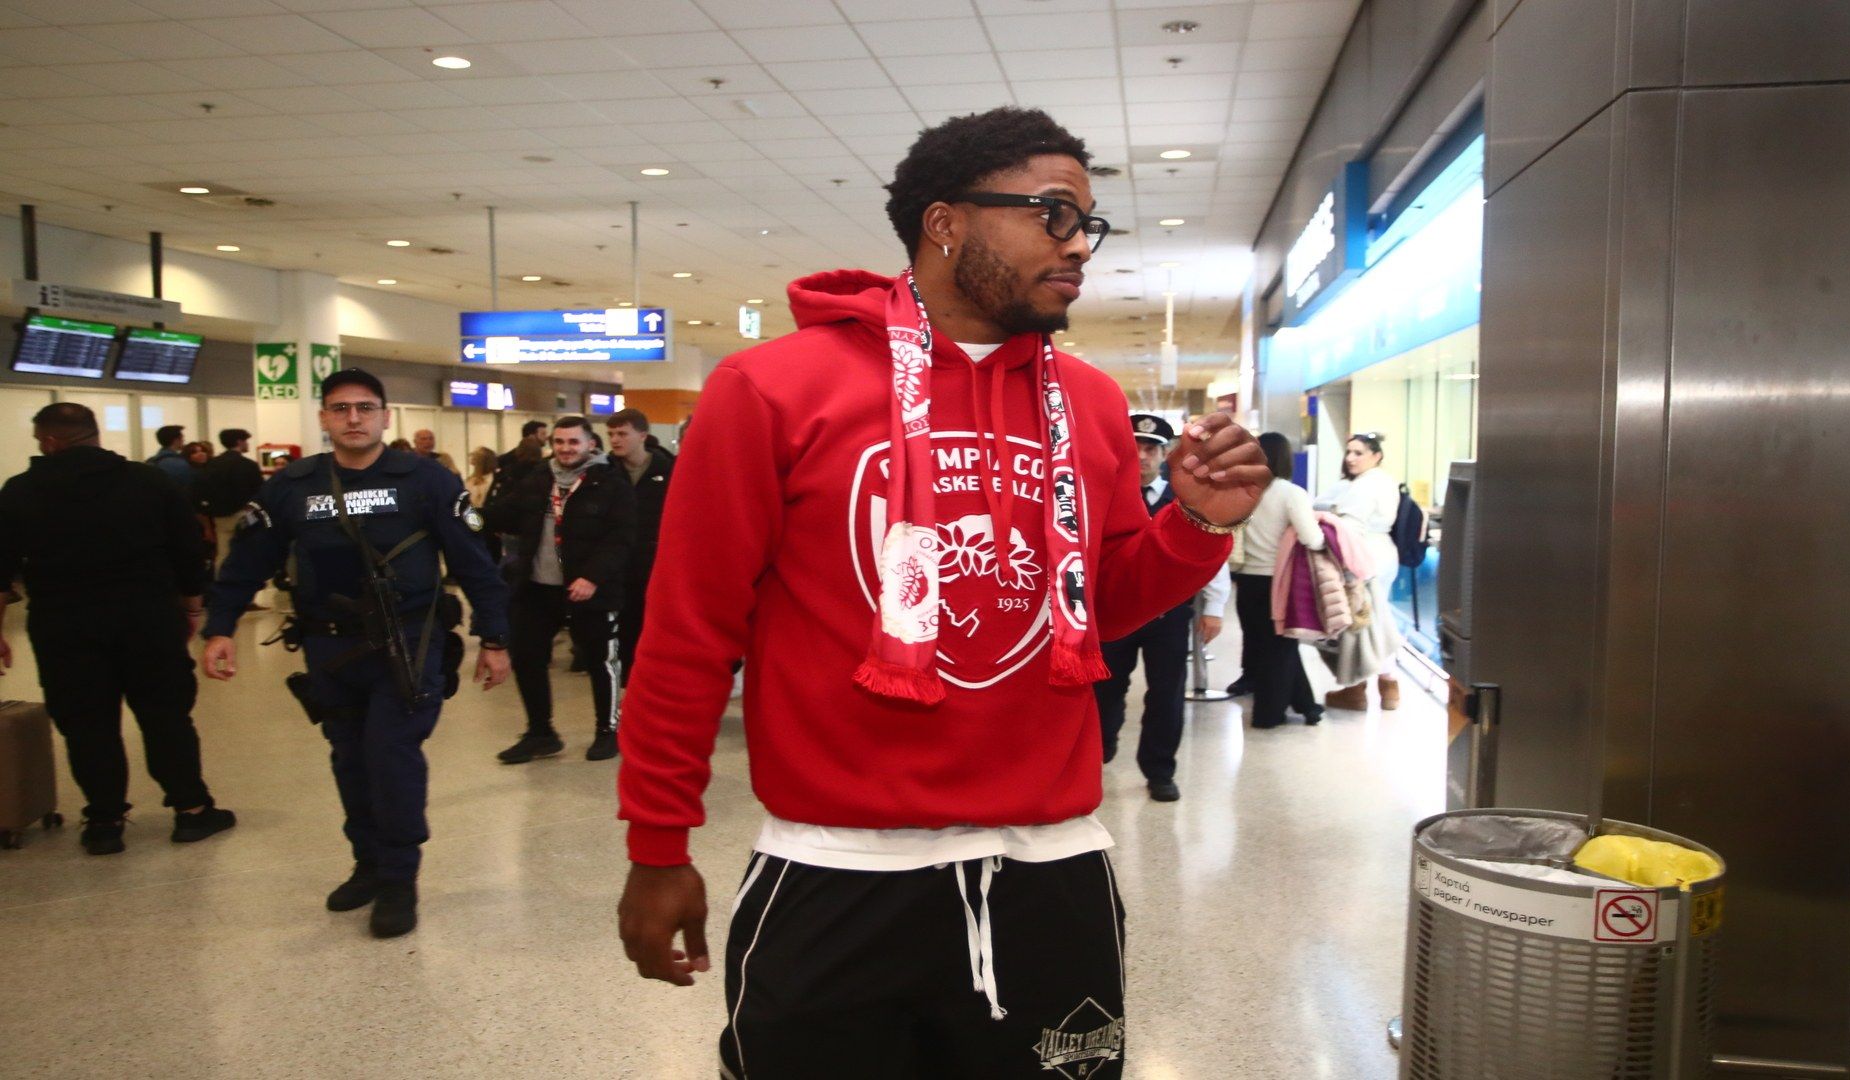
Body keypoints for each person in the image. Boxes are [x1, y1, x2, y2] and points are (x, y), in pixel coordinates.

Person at [614, 107, 1271, 1077]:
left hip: (1053, 866)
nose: (1078, 246)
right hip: (836, 866)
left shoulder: (1087, 402)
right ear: (946, 222)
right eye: (1052, 214)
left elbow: (1095, 605)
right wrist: (658, 841)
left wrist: (1198, 526)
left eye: (1088, 223)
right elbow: (690, 631)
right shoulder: (772, 389)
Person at [201, 369, 512, 939]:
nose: (353, 419)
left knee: (391, 755)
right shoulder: (292, 485)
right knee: (349, 757)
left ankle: (398, 878)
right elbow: (247, 560)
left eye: (365, 408)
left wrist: (494, 638)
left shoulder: (426, 481)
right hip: (329, 645)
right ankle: (368, 863)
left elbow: (474, 563)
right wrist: (220, 627)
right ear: (324, 417)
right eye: (340, 408)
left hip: (407, 642)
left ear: (385, 417)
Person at [0, 404, 236, 855]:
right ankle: (191, 811)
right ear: (94, 434)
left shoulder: (20, 491)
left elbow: (0, 569)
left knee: (86, 723)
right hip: (147, 618)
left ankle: (104, 822)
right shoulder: (148, 482)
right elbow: (188, 549)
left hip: (63, 625)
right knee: (166, 716)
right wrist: (191, 607)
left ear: (49, 441)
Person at [1091, 413, 1230, 803]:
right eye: (1136, 446)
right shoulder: (1107, 496)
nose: (1142, 455)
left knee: (1166, 694)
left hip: (1169, 616)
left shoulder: (1185, 498)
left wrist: (1215, 606)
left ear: (1164, 453)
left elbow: (1210, 550)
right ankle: (1101, 746)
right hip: (1113, 613)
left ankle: (1160, 770)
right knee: (1105, 688)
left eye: (1151, 448)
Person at [487, 416, 636, 764]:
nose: (565, 449)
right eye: (559, 442)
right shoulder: (538, 478)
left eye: (573, 442)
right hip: (539, 588)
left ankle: (608, 730)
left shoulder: (610, 482)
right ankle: (541, 733)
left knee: (601, 661)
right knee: (527, 657)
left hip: (591, 590)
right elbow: (502, 515)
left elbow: (621, 538)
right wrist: (463, 513)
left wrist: (592, 577)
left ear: (590, 444)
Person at [1234, 433, 1327, 728]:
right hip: (1279, 581)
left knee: (1267, 646)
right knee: (1280, 648)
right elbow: (1312, 538)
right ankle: (1268, 714)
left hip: (1246, 581)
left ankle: (1307, 705)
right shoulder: (1290, 493)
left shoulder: (1242, 490)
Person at [1319, 431, 1404, 711]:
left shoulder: (1363, 487)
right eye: (1349, 452)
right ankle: (1386, 687)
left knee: (1360, 624)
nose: (1351, 458)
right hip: (1384, 553)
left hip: (1364, 556)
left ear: (1376, 456)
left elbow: (1350, 528)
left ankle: (1358, 688)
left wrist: (1346, 567)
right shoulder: (1385, 482)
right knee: (1377, 619)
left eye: (1359, 453)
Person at [604, 409, 673, 679]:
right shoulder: (604, 472)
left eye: (622, 433)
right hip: (615, 569)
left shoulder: (668, 471)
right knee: (621, 636)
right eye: (611, 434)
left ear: (642, 435)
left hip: (654, 567)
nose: (615, 440)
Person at [198, 428, 264, 572]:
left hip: (220, 516)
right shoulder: (248, 465)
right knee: (248, 552)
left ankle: (222, 581)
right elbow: (260, 493)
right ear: (239, 442)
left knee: (223, 553)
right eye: (246, 441)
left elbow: (202, 492)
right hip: (246, 514)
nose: (247, 444)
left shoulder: (212, 464)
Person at [496, 419, 549, 490]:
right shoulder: (512, 458)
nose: (547, 437)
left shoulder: (513, 455)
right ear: (531, 436)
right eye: (543, 434)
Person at [148, 424, 193, 489]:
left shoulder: (150, 461)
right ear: (176, 440)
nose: (184, 441)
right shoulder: (180, 463)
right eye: (182, 438)